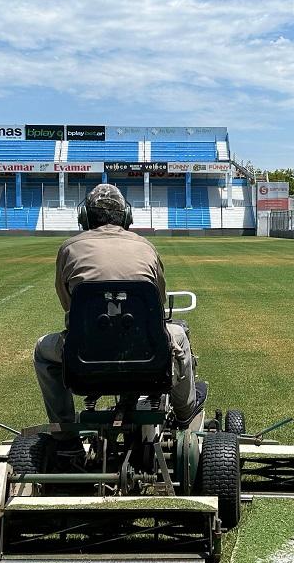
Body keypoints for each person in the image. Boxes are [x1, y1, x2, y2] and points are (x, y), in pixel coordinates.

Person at [33, 183, 203, 428]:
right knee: (180, 336)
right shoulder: (145, 246)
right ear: (127, 217)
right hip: (147, 352)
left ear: (84, 217)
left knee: (42, 350)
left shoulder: (69, 249)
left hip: (86, 353)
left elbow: (68, 306)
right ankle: (185, 412)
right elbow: (158, 303)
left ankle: (64, 431)